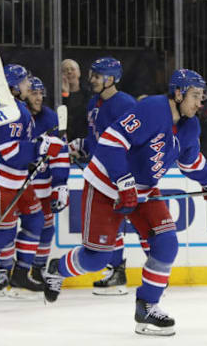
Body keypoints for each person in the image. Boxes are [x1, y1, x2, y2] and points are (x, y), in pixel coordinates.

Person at [42, 69, 207, 337]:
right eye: (195, 96)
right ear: (178, 93)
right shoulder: (153, 109)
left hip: (143, 190)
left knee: (166, 244)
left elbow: (191, 162)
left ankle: (147, 307)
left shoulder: (191, 125)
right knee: (97, 259)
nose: (199, 103)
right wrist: (124, 182)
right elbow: (110, 142)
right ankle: (57, 269)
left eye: (202, 97)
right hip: (106, 185)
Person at [0, 64, 65, 299]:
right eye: (26, 82)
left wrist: (39, 147)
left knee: (36, 220)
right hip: (3, 181)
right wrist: (42, 147)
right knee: (3, 233)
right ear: (15, 86)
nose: (29, 85)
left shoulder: (12, 107)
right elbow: (9, 151)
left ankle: (21, 273)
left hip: (17, 179)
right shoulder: (11, 110)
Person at [0, 76, 70, 293]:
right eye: (33, 92)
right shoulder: (14, 115)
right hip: (12, 180)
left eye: (40, 93)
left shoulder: (50, 117)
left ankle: (35, 269)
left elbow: (60, 153)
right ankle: (4, 270)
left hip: (40, 184)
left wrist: (60, 184)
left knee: (44, 227)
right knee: (6, 227)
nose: (38, 97)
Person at [67, 57, 137, 296]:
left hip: (118, 175)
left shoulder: (125, 104)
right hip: (100, 173)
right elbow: (95, 138)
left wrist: (126, 175)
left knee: (127, 223)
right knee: (112, 225)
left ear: (110, 79)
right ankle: (116, 271)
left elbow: (135, 141)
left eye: (96, 76)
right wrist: (79, 146)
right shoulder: (93, 104)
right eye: (92, 75)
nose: (91, 80)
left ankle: (154, 276)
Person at [61, 58, 91, 141]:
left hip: (84, 140)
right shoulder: (56, 96)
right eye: (65, 70)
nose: (69, 72)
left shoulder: (89, 94)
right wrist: (65, 95)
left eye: (72, 69)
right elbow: (61, 118)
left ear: (79, 73)